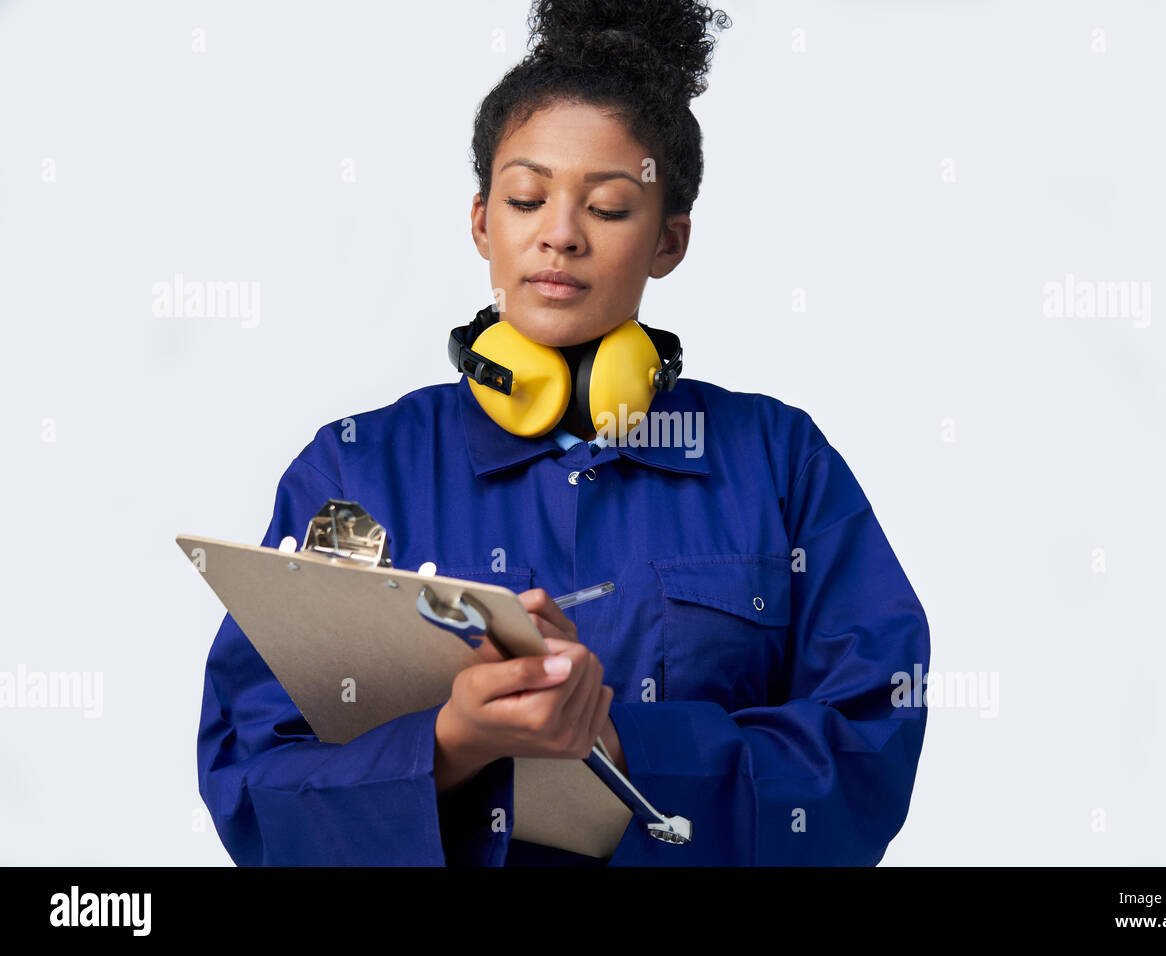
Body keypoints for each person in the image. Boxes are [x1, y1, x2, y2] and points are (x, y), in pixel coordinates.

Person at [196, 0, 930, 866]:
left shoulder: (780, 461)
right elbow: (250, 774)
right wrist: (447, 745)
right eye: (525, 197)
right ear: (482, 223)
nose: (560, 234)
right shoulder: (357, 466)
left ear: (669, 240)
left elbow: (871, 745)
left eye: (611, 208)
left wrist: (619, 747)